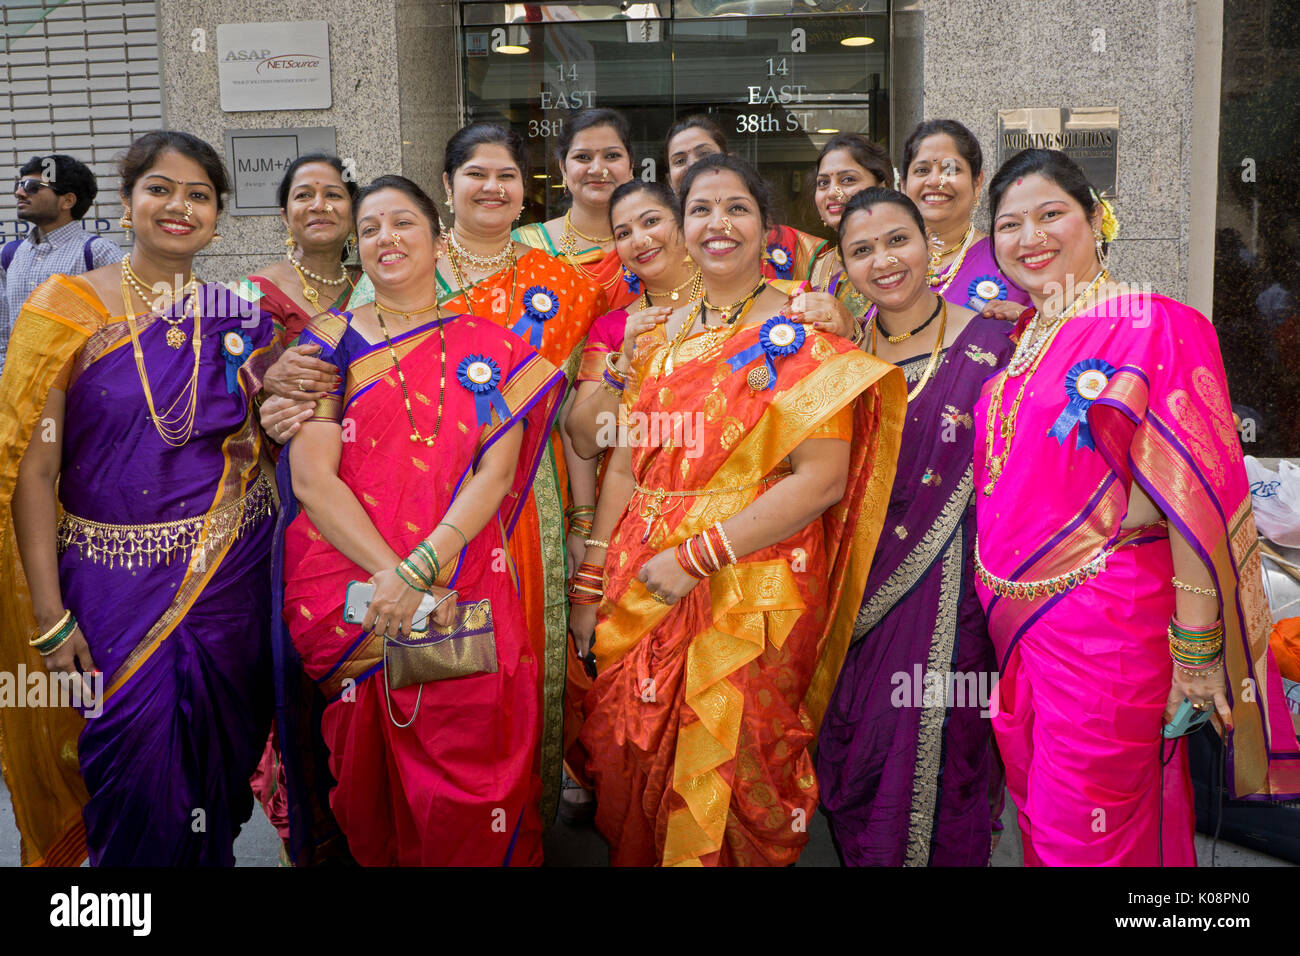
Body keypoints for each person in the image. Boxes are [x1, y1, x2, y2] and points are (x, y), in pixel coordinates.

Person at [572, 153, 906, 866]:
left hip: (749, 583)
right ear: (683, 227)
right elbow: (628, 463)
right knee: (632, 755)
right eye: (700, 209)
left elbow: (821, 480)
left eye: (736, 208)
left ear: (767, 228)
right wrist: (591, 577)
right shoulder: (653, 336)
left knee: (738, 760)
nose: (717, 223)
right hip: (642, 575)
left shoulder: (801, 330)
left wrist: (695, 557)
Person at [974, 149, 1300, 865]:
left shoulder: (1153, 323)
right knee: (1039, 819)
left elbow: (1195, 491)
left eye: (1050, 214)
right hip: (1022, 635)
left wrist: (1195, 647)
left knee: (1084, 834)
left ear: (1097, 219)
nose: (1030, 236)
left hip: (1109, 634)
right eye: (1008, 223)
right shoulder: (1022, 345)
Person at [0, 130, 278, 866]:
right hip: (106, 587)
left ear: (218, 214)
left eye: (199, 195)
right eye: (160, 189)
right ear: (126, 205)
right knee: (131, 767)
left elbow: (273, 436)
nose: (178, 206)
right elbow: (33, 473)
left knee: (213, 775)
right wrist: (51, 618)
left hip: (231, 583)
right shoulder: (65, 309)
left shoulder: (244, 319)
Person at [276, 175, 566, 865]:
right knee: (369, 781)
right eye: (371, 228)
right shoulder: (328, 343)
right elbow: (315, 480)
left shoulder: (492, 346)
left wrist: (423, 568)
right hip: (356, 588)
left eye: (403, 223)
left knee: (473, 768)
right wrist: (396, 579)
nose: (386, 238)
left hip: (461, 578)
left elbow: (496, 475)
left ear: (438, 243)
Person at [815, 188, 1015, 866]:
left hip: (951, 596)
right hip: (848, 594)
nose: (885, 260)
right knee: (855, 758)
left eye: (898, 240)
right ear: (844, 266)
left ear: (932, 246)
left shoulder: (998, 340)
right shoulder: (833, 355)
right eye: (862, 250)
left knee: (940, 758)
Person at [662, 115, 828, 283]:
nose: (693, 164)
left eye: (704, 153)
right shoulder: (657, 249)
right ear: (669, 180)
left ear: (731, 160)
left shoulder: (792, 245)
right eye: (680, 160)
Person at [899, 119, 1030, 321]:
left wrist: (1026, 321)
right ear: (903, 185)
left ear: (977, 183)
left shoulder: (1011, 257)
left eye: (950, 170)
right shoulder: (880, 262)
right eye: (922, 170)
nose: (935, 181)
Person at [1, 154, 122, 369]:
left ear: (67, 201)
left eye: (32, 186)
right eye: (19, 185)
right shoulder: (10, 255)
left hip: (77, 391)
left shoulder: (97, 252)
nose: (20, 192)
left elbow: (129, 325)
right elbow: (2, 329)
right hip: (17, 391)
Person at [514, 108, 640, 311]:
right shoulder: (526, 245)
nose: (598, 169)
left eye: (612, 155)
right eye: (583, 157)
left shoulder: (655, 243)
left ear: (631, 166)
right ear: (563, 168)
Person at [239, 154, 359, 348]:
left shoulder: (368, 287)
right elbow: (243, 372)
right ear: (285, 216)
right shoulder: (249, 291)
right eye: (303, 195)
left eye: (333, 195)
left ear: (354, 213)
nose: (319, 206)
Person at [807, 134, 893, 321]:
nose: (832, 192)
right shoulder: (817, 264)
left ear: (882, 186)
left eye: (847, 180)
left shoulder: (901, 256)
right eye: (823, 183)